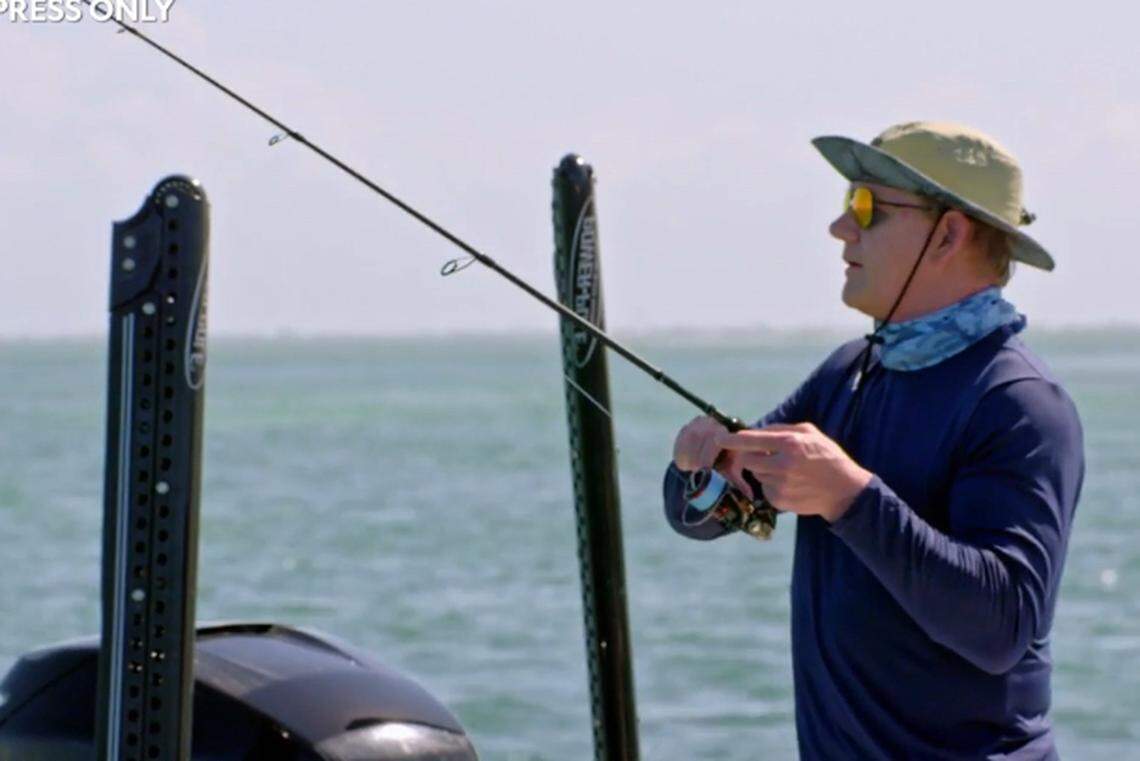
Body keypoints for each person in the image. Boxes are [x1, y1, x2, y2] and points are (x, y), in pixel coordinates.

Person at [664, 122, 1084, 759]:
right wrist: (705, 466)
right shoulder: (849, 371)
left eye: (866, 207)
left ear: (948, 233)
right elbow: (712, 513)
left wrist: (851, 498)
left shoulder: (1020, 404)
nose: (840, 229)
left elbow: (1002, 626)